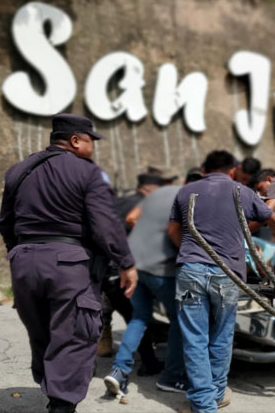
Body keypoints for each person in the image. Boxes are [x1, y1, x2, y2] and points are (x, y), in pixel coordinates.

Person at [0, 113, 138, 413]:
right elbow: (105, 226)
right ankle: (61, 406)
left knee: (42, 333)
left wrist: (20, 254)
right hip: (69, 265)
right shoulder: (88, 173)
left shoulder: (18, 171)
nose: (93, 148)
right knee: (74, 335)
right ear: (75, 140)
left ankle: (52, 390)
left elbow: (6, 223)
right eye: (90, 141)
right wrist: (126, 263)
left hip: (23, 262)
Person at [168, 150, 275, 413]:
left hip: (191, 273)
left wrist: (189, 256)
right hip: (227, 274)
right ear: (232, 170)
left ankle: (202, 402)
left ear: (204, 168)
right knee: (221, 335)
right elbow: (266, 214)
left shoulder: (186, 191)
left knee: (194, 337)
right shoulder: (241, 191)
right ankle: (217, 394)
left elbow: (173, 231)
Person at [103, 170, 200, 399]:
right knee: (179, 318)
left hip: (134, 265)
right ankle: (171, 377)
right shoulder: (192, 198)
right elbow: (175, 231)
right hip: (161, 269)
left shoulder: (160, 192)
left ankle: (119, 371)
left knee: (139, 317)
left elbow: (132, 217)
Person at [97, 173, 166, 378]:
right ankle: (140, 364)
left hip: (100, 270)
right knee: (138, 317)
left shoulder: (117, 203)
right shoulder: (144, 206)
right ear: (151, 190)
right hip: (122, 271)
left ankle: (144, 361)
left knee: (130, 316)